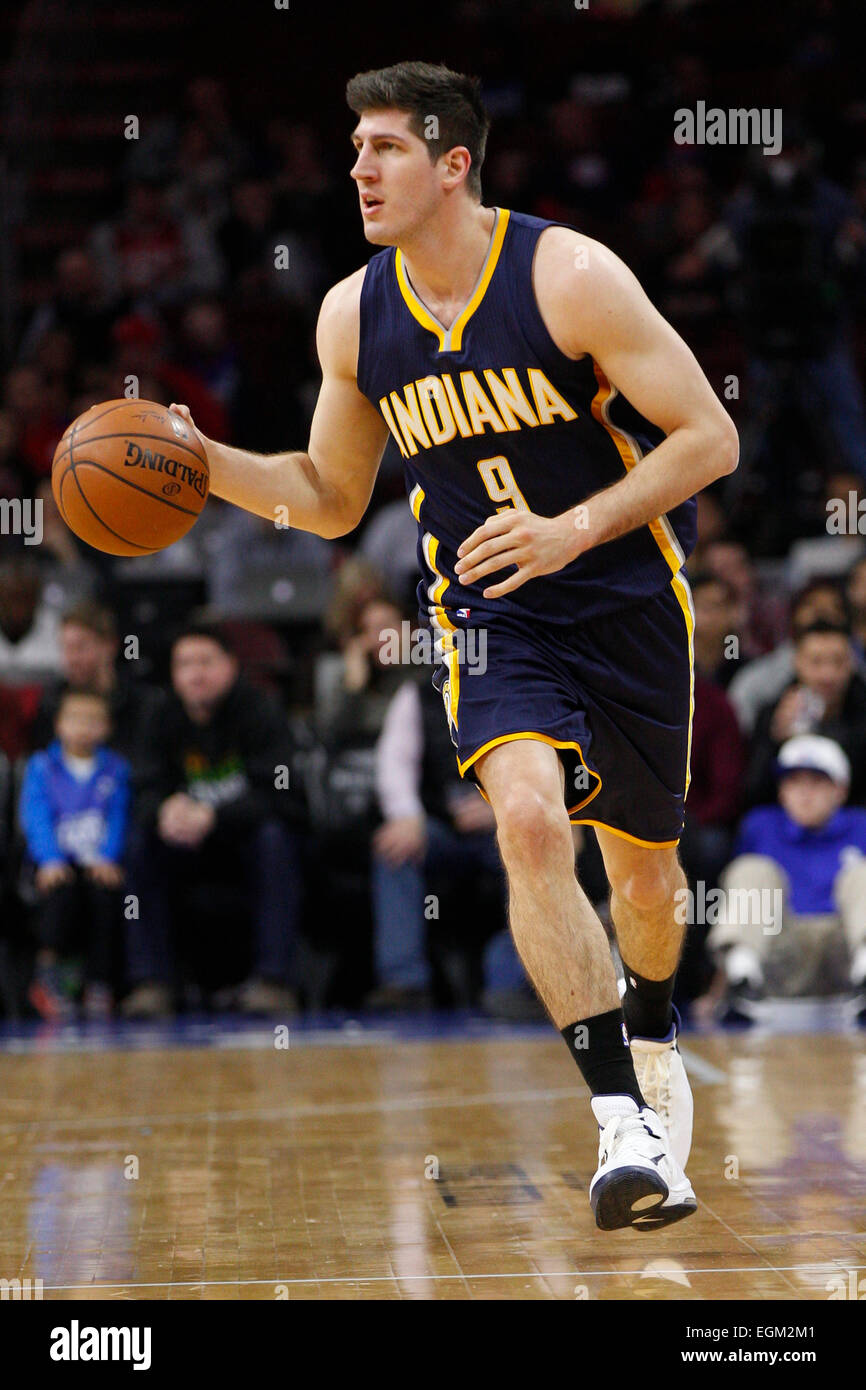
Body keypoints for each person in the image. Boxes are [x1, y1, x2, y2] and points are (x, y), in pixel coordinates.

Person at [167, 61, 739, 1231]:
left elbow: (707, 438)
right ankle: (620, 1120)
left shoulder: (566, 275)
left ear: (451, 163)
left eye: (382, 147)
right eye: (354, 148)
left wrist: (570, 526)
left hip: (623, 598)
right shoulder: (349, 313)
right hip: (485, 610)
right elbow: (330, 497)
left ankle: (652, 1019)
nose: (357, 168)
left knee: (641, 879)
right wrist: (206, 459)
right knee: (528, 819)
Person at [123, 625, 305, 1018]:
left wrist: (214, 816)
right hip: (184, 847)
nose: (196, 673)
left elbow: (284, 795)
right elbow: (142, 786)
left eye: (206, 662)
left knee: (276, 837)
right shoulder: (160, 714)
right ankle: (151, 982)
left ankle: (273, 981)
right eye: (185, 664)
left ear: (231, 666)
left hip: (242, 844)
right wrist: (164, 809)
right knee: (139, 842)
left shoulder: (261, 710)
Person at [708, 736, 866, 1018]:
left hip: (845, 952)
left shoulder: (861, 825)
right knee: (751, 869)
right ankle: (741, 980)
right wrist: (713, 996)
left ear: (840, 790)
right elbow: (741, 904)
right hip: (782, 951)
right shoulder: (760, 825)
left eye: (817, 782)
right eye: (794, 782)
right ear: (781, 791)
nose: (804, 793)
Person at [18, 689, 129, 1020]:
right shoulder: (42, 767)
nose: (84, 727)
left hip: (97, 864)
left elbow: (119, 816)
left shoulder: (115, 769)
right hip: (56, 865)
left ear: (107, 727)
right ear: (58, 725)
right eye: (75, 719)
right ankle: (48, 975)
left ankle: (98, 982)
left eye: (93, 720)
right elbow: (34, 816)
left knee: (106, 897)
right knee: (58, 896)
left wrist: (108, 856)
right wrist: (49, 859)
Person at [746, 620, 866, 808]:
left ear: (852, 663)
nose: (828, 674)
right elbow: (751, 794)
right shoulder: (772, 714)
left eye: (838, 662)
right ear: (797, 662)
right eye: (816, 662)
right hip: (784, 825)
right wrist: (775, 740)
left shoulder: (861, 712)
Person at [30, 601, 166, 763]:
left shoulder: (144, 704)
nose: (72, 659)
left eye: (81, 647)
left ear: (110, 646)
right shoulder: (51, 702)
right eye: (66, 648)